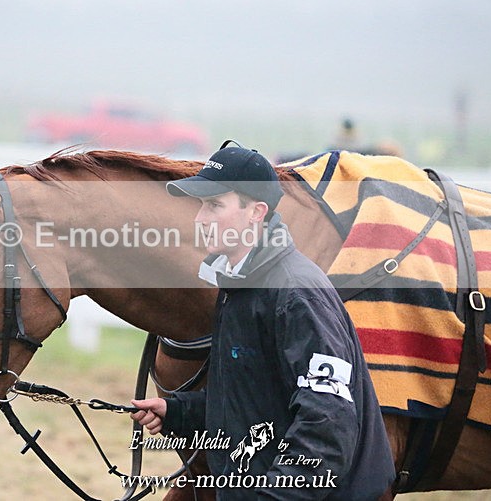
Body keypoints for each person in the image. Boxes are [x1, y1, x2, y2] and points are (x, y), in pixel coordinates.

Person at [130, 141, 395, 500]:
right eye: (200, 206)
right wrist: (177, 411)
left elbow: (328, 422)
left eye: (214, 205)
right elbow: (253, 397)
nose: (200, 219)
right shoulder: (238, 284)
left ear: (255, 212)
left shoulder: (296, 294)